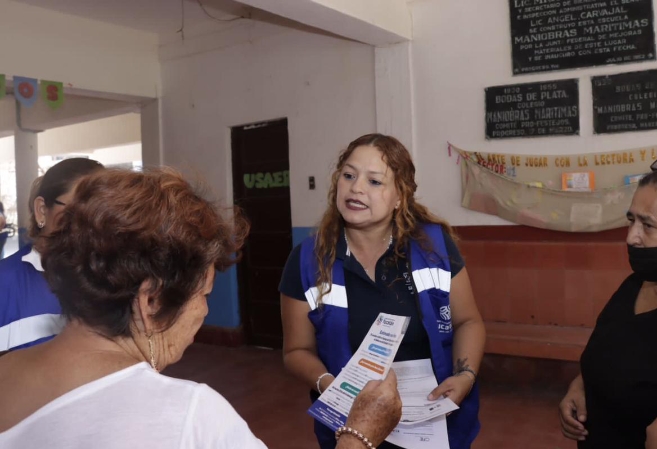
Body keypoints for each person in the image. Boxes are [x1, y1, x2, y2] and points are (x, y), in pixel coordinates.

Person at [0, 167, 403, 449]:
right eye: (204, 295)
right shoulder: (188, 417)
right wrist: (359, 436)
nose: (204, 313)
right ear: (151, 301)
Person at [280, 133, 486, 449]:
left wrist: (465, 376)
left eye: (374, 181)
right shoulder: (307, 261)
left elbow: (468, 321)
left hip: (434, 424)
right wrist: (331, 386)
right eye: (349, 175)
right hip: (351, 425)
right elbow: (296, 351)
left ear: (400, 196)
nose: (356, 188)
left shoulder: (433, 247)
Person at [559, 158, 657, 448]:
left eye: (648, 224)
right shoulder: (634, 285)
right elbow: (607, 355)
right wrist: (581, 386)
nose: (631, 237)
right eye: (631, 220)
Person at [0, 158, 103, 352]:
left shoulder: (116, 283)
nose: (91, 224)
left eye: (103, 213)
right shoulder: (5, 283)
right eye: (78, 211)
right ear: (41, 210)